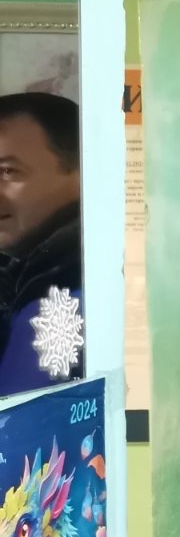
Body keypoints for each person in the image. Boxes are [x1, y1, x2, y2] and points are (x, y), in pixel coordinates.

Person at [0, 92, 83, 392]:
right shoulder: (25, 274)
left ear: (80, 173)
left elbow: (26, 406)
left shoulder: (64, 296)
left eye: (8, 171)